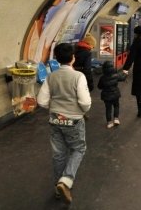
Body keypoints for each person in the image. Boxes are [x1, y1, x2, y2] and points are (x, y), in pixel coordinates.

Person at [36, 43, 91, 204]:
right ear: (73, 58)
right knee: (78, 149)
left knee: (58, 154)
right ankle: (66, 180)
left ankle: (58, 188)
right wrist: (80, 110)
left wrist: (54, 108)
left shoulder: (51, 77)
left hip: (54, 119)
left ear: (57, 59)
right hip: (73, 120)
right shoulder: (78, 76)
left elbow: (42, 101)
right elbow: (85, 102)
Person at [97, 61, 127, 128]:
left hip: (106, 96)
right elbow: (123, 78)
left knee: (108, 109)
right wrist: (125, 73)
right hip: (115, 94)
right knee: (116, 106)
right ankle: (116, 119)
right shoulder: (116, 76)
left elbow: (99, 87)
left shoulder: (102, 78)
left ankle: (109, 123)